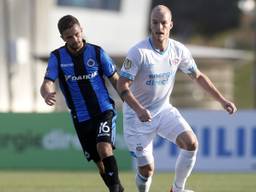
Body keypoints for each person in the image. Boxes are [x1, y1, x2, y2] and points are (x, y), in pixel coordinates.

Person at [117, 5, 237, 192]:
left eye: (163, 23)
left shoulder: (178, 50)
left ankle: (177, 189)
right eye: (155, 23)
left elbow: (197, 76)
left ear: (171, 25)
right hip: (136, 117)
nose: (159, 27)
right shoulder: (138, 52)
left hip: (163, 110)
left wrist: (222, 100)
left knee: (191, 143)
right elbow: (121, 85)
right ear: (150, 24)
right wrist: (139, 109)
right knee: (147, 170)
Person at [40, 15, 124, 192]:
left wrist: (129, 101)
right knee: (99, 163)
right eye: (69, 37)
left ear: (82, 30)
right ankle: (117, 189)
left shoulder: (97, 52)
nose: (75, 39)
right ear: (62, 38)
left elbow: (116, 80)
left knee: (104, 147)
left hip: (103, 110)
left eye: (77, 34)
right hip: (81, 116)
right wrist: (46, 93)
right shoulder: (57, 57)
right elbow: (47, 82)